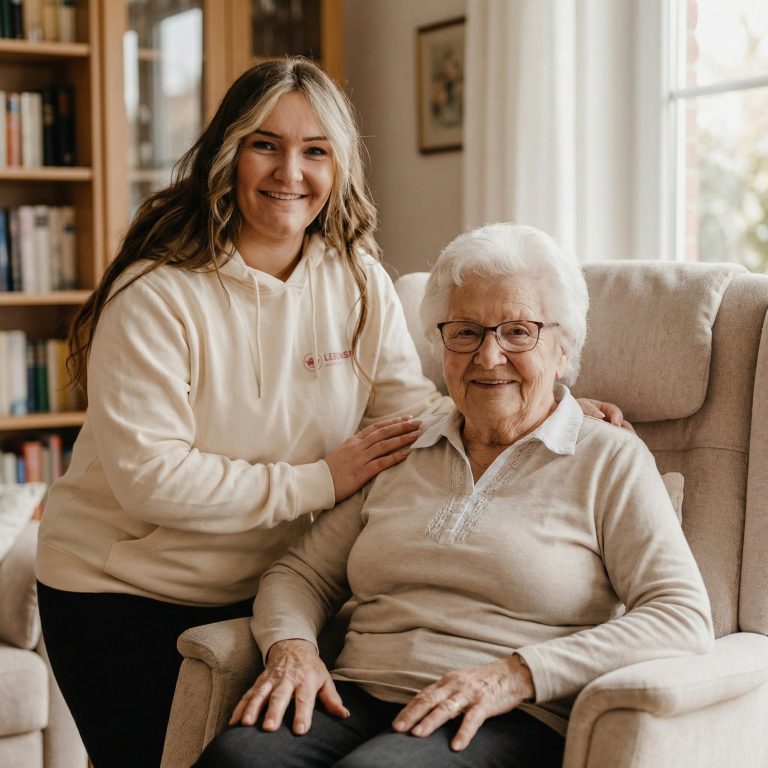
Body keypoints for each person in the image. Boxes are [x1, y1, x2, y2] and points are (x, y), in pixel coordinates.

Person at [35, 58, 623, 768]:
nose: (291, 171)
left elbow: (410, 414)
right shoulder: (157, 295)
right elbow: (151, 479)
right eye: (265, 144)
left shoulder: (356, 279)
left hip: (258, 592)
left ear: (338, 166)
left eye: (315, 151)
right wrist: (320, 480)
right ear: (228, 154)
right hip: (122, 594)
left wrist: (531, 406)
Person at [196, 222, 714, 768]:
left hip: (505, 715)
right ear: (441, 345)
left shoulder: (609, 459)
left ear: (563, 349)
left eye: (518, 332)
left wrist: (516, 674)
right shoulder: (406, 442)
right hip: (355, 694)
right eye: (465, 332)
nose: (488, 357)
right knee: (239, 759)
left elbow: (679, 615)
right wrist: (292, 650)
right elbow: (298, 574)